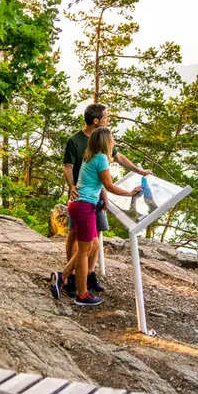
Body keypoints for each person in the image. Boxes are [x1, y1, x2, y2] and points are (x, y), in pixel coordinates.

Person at [60, 103, 149, 296]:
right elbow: (68, 167)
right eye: (106, 117)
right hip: (81, 198)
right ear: (96, 121)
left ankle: (85, 274)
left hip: (93, 198)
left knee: (94, 241)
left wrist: (139, 171)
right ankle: (72, 280)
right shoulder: (78, 142)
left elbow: (117, 159)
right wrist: (71, 186)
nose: (108, 120)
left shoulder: (97, 144)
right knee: (76, 237)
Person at [51, 128, 140, 306]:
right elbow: (109, 185)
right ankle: (82, 295)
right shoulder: (100, 158)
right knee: (84, 251)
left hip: (82, 205)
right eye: (112, 140)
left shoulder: (90, 155)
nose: (113, 143)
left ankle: (62, 276)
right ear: (106, 142)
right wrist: (130, 193)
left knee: (94, 245)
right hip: (83, 207)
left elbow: (99, 185)